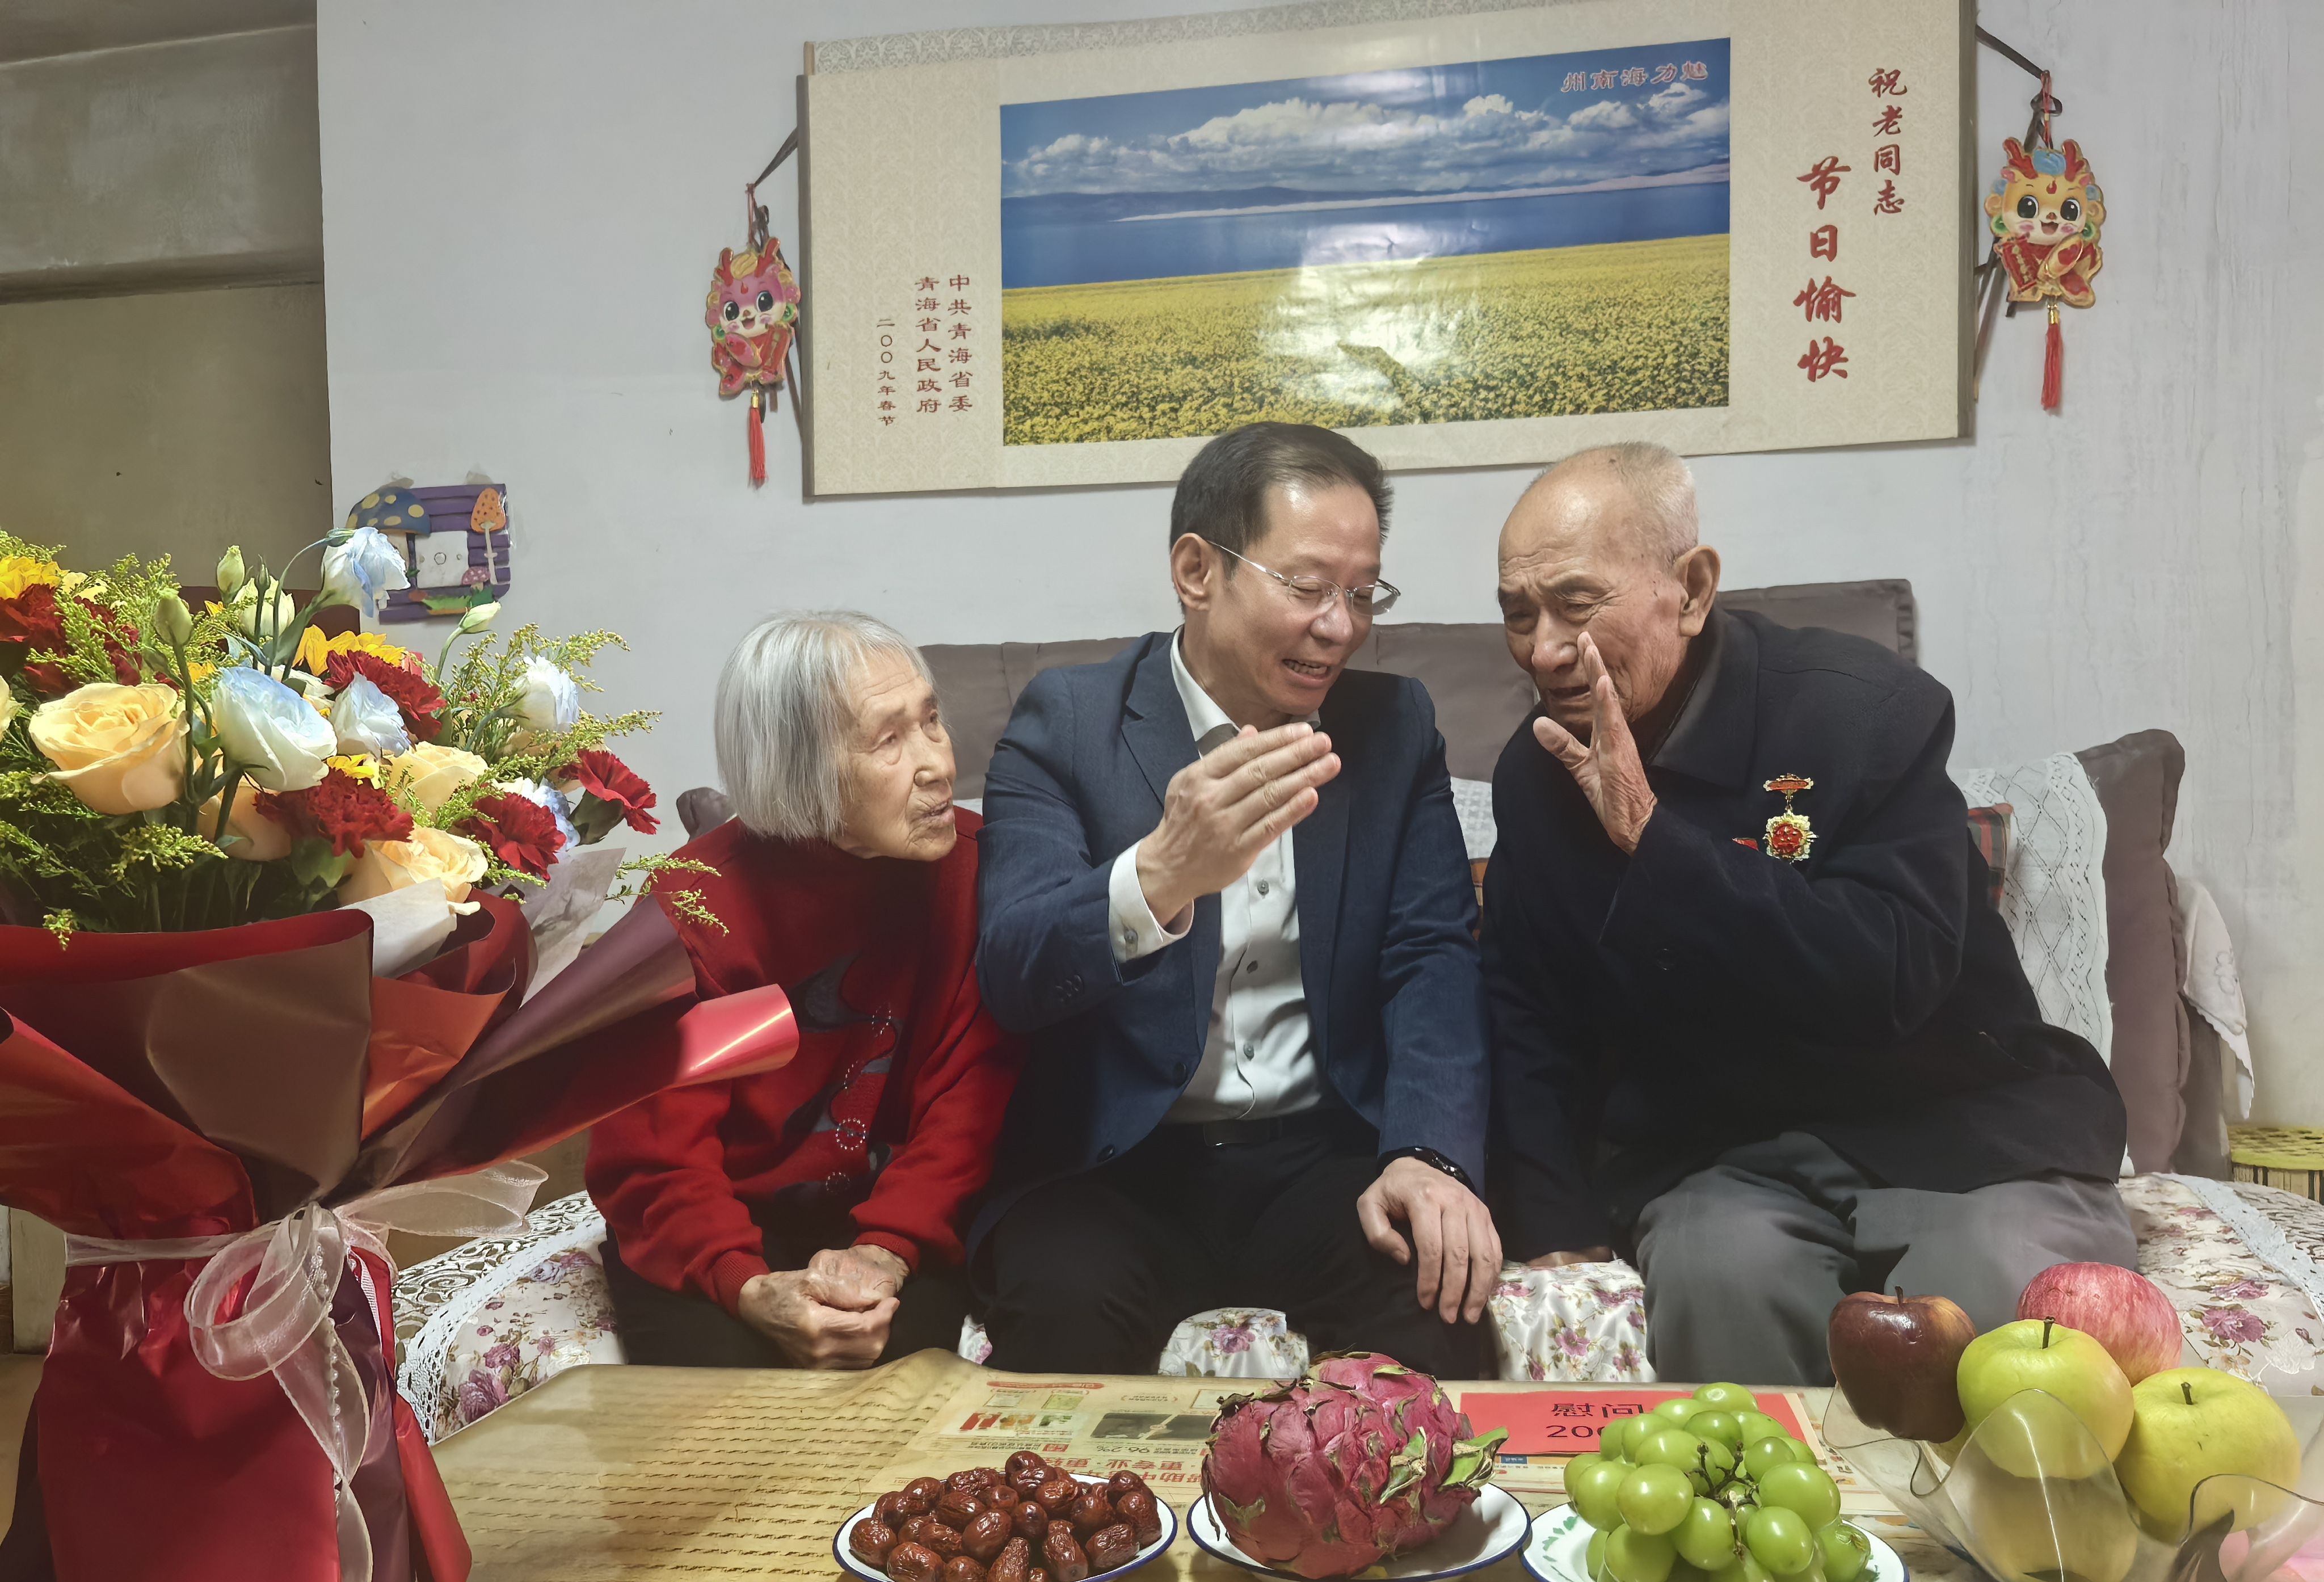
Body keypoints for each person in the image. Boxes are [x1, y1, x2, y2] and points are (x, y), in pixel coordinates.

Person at [1483, 442, 2136, 1384]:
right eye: (1518, 613)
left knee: (1989, 1309)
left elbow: (1893, 975)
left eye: (1576, 604)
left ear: (1691, 590)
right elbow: (1525, 1009)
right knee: (1720, 1280)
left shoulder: (1862, 714)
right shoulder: (1537, 772)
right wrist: (1557, 1224)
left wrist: (1656, 840)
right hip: (1724, 1155)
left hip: (1964, 1127)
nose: (1543, 649)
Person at [972, 421, 1497, 1378]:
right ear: (1197, 571)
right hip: (1117, 1167)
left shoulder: (1391, 727)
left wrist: (1429, 1154)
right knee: (1061, 1314)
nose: (1339, 627)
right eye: (1307, 586)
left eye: (1362, 593)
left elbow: (1431, 956)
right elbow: (1013, 968)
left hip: (1322, 1157)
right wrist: (1162, 874)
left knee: (1432, 1306)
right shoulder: (1068, 723)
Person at [586, 611, 1020, 1369]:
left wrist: (887, 1250)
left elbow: (966, 1112)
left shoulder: (981, 874)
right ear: (797, 767)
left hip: (891, 1214)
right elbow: (654, 1156)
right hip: (722, 1216)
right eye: (889, 740)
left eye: (932, 721)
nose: (938, 764)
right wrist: (745, 1283)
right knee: (722, 1410)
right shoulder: (693, 907)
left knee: (899, 1386)